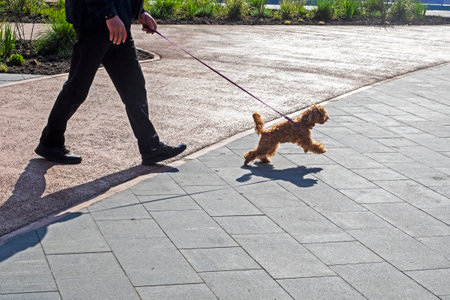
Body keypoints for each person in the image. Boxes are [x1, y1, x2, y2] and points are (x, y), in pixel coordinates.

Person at [35, 0, 186, 166]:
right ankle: (50, 142)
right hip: (95, 23)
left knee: (134, 87)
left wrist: (139, 12)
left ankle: (150, 147)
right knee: (77, 88)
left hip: (118, 23)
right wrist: (108, 14)